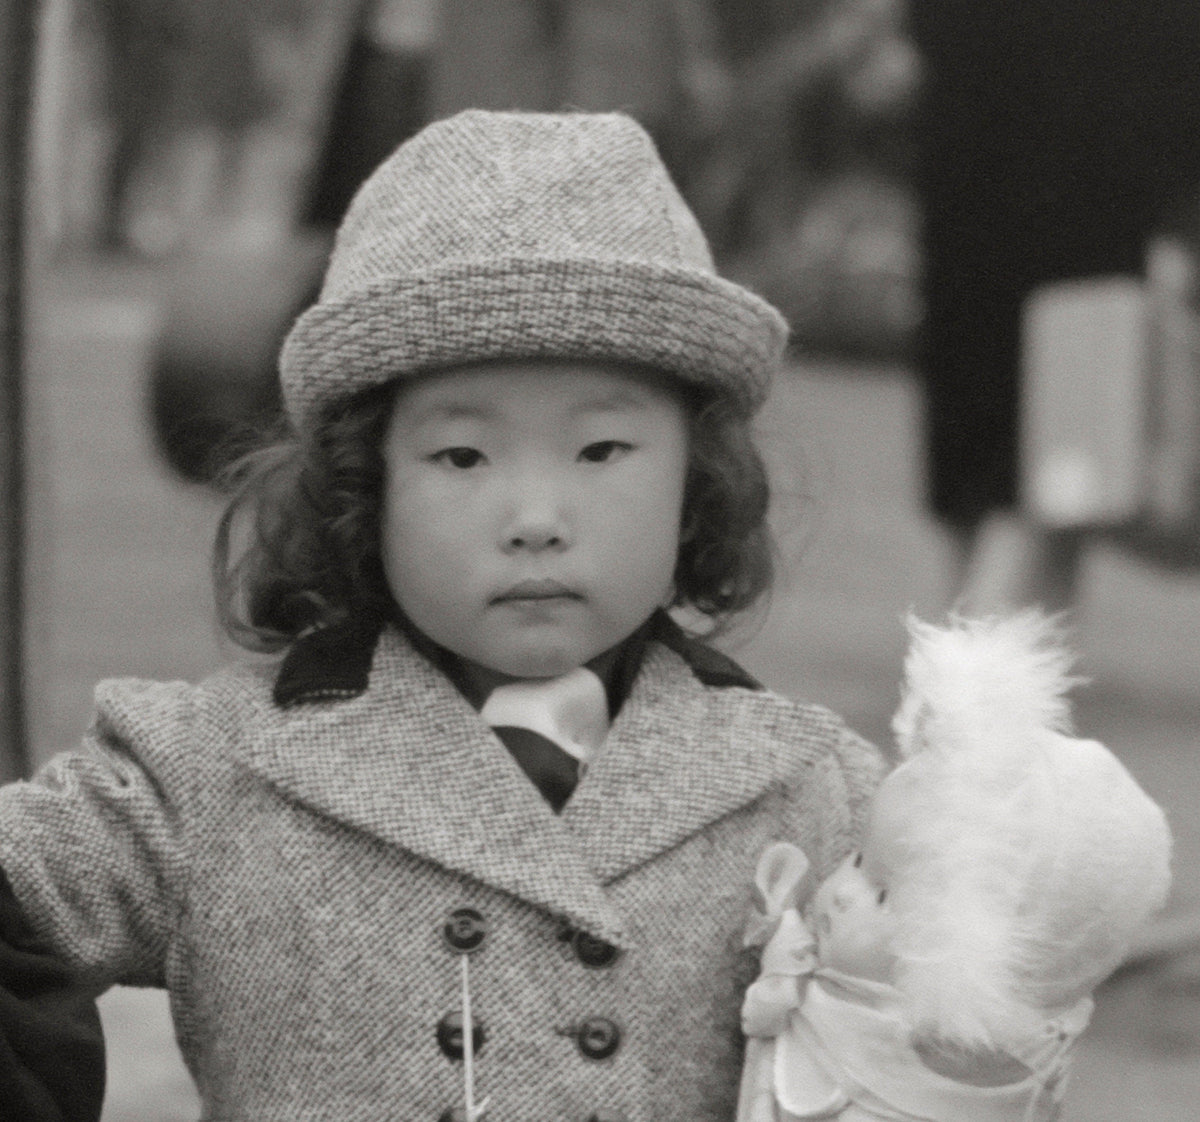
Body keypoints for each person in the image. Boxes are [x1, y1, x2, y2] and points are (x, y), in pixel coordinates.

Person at [0, 110, 883, 1120]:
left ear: (697, 478)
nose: (536, 519)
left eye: (601, 450)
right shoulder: (207, 775)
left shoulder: (813, 796)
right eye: (462, 456)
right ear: (365, 487)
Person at [736, 612, 1170, 1121]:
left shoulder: (922, 1095)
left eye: (884, 895)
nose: (843, 892)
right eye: (857, 859)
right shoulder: (847, 1000)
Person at [909, 2, 1200, 614]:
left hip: (979, 205)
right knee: (1055, 476)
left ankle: (974, 639)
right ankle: (993, 648)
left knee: (999, 471)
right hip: (1090, 215)